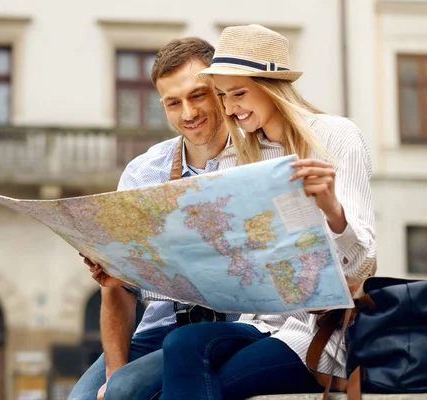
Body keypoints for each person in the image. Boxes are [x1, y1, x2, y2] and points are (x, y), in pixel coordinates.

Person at [158, 24, 377, 400]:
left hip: (319, 331)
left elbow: (363, 265)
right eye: (223, 96)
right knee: (181, 343)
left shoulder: (337, 137)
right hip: (259, 322)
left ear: (273, 88)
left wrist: (331, 208)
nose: (229, 109)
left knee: (215, 384)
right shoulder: (238, 156)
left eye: (239, 94)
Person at [68, 37, 240, 400]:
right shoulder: (142, 173)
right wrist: (114, 373)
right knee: (83, 398)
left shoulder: (256, 158)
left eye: (198, 96)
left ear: (220, 91)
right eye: (173, 103)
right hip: (159, 328)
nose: (188, 113)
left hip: (236, 325)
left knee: (129, 389)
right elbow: (117, 289)